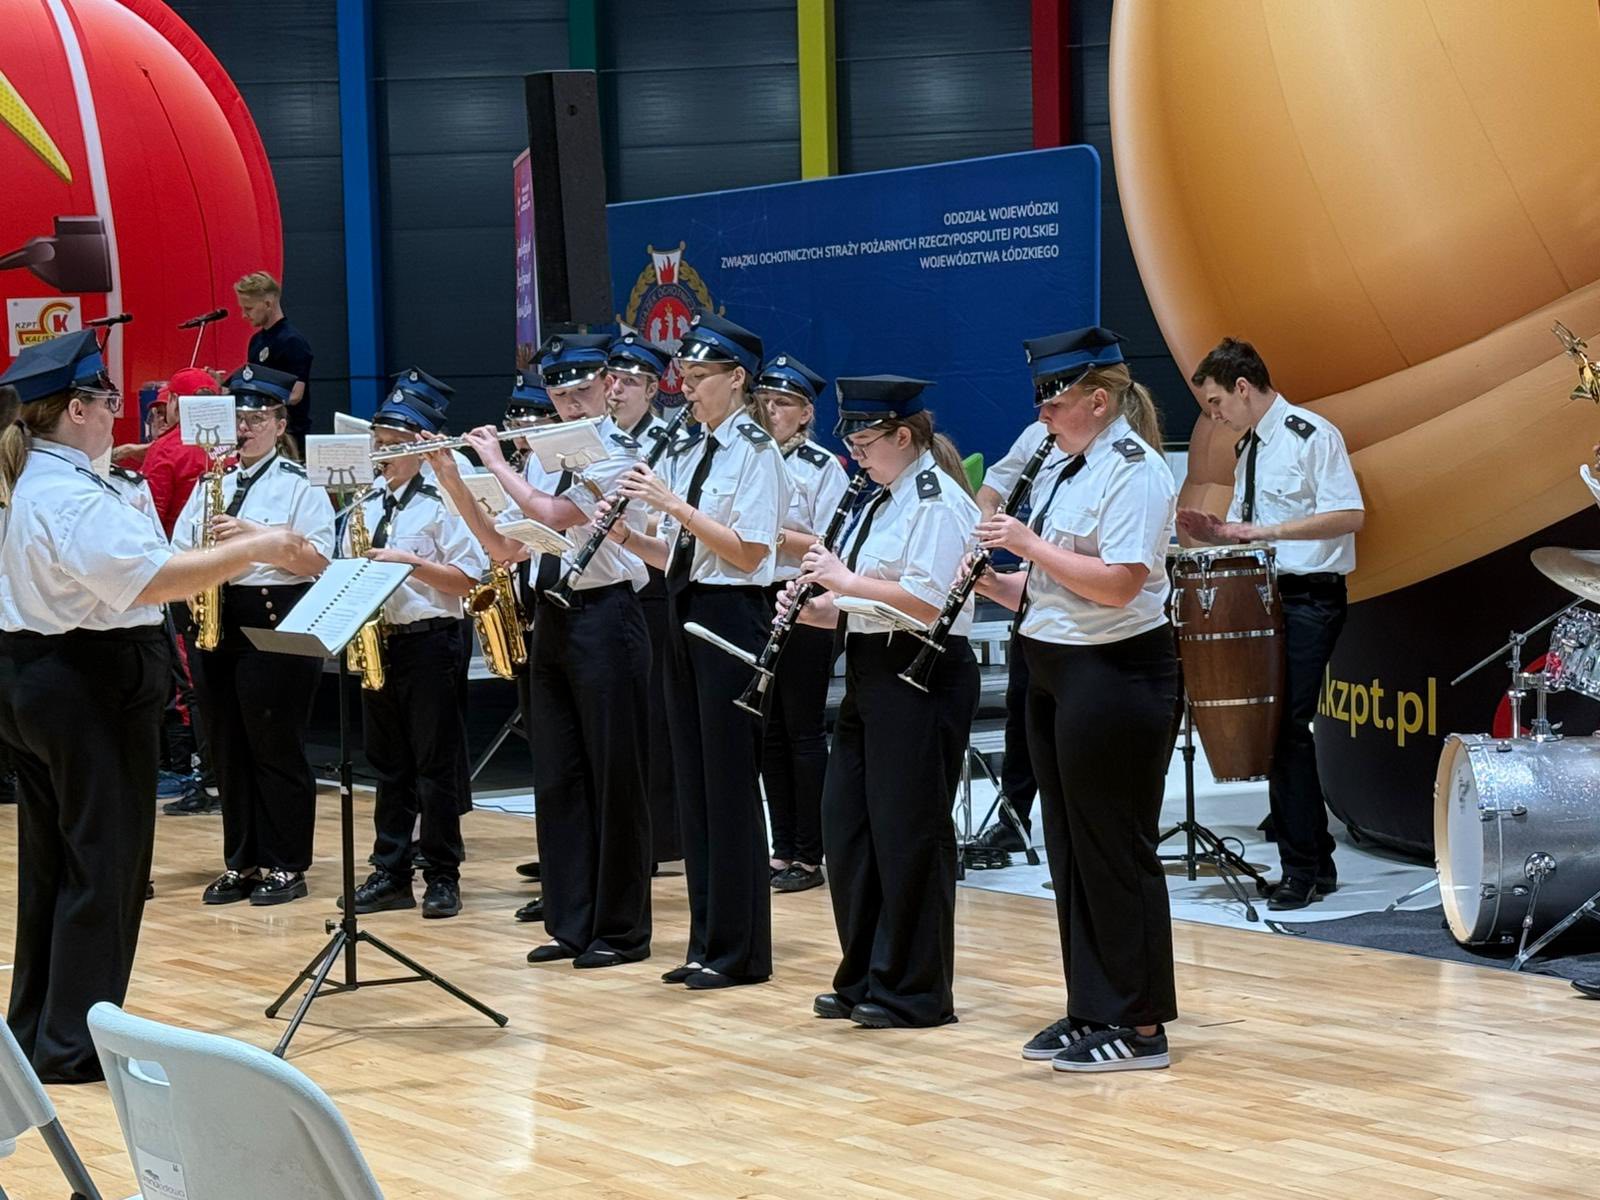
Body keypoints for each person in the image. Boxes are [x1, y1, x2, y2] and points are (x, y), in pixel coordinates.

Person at [0, 331, 317, 1083]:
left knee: (56, 865)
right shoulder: (73, 495)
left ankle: (38, 1031)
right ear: (77, 409)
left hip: (39, 676)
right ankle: (75, 1047)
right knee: (104, 868)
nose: (118, 411)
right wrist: (260, 547)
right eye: (107, 399)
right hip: (89, 682)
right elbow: (153, 580)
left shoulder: (40, 477)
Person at [974, 325, 1181, 1072]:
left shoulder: (1136, 470)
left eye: (1054, 400)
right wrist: (995, 581)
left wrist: (1027, 545)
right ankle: (1093, 1003)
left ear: (1098, 400)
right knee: (1068, 847)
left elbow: (1120, 583)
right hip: (1056, 664)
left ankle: (1142, 1025)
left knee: (1114, 848)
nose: (1043, 413)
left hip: (1116, 672)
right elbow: (1057, 586)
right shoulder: (1062, 462)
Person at [438, 333, 655, 968]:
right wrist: (455, 480)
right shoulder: (539, 459)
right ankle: (571, 922)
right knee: (559, 776)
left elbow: (556, 514)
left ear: (608, 386)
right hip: (550, 620)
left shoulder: (619, 452)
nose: (569, 405)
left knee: (614, 778)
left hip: (607, 617)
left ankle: (621, 931)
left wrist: (497, 462)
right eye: (559, 396)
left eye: (581, 391)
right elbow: (507, 549)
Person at [783, 376, 978, 1029]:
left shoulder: (936, 501)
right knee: (849, 828)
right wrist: (815, 607)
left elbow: (929, 602)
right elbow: (859, 599)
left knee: (908, 833)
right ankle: (866, 973)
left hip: (922, 671)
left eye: (866, 442)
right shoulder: (880, 500)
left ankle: (916, 991)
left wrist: (843, 580)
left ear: (903, 436)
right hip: (872, 667)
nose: (856, 454)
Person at [609, 312, 788, 990]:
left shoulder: (757, 452)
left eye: (699, 376)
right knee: (694, 785)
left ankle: (740, 951)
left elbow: (748, 552)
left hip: (733, 617)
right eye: (682, 375)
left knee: (730, 785)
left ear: (736, 378)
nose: (685, 387)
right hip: (684, 607)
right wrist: (627, 536)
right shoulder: (690, 448)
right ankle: (705, 940)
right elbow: (680, 555)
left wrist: (674, 506)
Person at [1177, 337, 1365, 911]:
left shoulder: (1312, 435)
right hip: (1264, 598)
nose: (1214, 415)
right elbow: (1248, 526)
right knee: (1274, 729)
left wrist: (1265, 532)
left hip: (1310, 597)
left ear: (1242, 387)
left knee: (1286, 730)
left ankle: (1300, 868)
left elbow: (1349, 514)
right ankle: (1317, 861)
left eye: (1216, 402)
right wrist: (1220, 535)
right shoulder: (1249, 447)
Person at [171, 365, 334, 906]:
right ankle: (241, 861)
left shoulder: (299, 484)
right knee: (227, 747)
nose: (244, 428)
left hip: (275, 617)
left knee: (275, 745)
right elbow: (179, 547)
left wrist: (254, 537)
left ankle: (286, 863)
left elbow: (318, 559)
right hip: (215, 615)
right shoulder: (210, 483)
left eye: (257, 418)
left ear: (279, 423)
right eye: (238, 417)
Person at [341, 369, 486, 920]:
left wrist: (408, 564)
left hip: (431, 642)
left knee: (434, 765)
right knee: (389, 766)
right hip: (381, 642)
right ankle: (391, 872)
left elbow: (467, 580)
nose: (382, 455)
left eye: (393, 446)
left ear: (422, 448)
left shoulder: (446, 500)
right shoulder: (367, 503)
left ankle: (443, 874)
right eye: (378, 444)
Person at [757, 354, 848, 893]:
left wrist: (767, 533)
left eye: (783, 402)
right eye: (765, 400)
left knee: (802, 727)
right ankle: (782, 846)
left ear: (806, 413)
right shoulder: (751, 457)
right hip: (756, 592)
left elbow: (832, 542)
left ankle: (810, 853)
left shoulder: (820, 466)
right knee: (768, 729)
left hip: (806, 595)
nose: (771, 410)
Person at [969, 418, 1075, 856]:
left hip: (1083, 606)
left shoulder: (1125, 454)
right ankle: (1014, 817)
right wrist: (985, 531)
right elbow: (992, 488)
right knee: (1022, 709)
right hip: (1037, 598)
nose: (1047, 411)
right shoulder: (1037, 435)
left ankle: (1076, 822)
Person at [606, 333, 680, 867]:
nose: (616, 390)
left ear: (653, 389)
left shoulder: (668, 442)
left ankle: (661, 839)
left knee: (654, 712)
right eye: (612, 380)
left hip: (653, 584)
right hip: (608, 580)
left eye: (629, 382)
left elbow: (665, 517)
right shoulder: (597, 437)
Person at [236, 271, 313, 450]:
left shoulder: (292, 341)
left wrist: (260, 407)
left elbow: (295, 394)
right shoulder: (256, 341)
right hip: (260, 434)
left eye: (249, 308)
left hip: (288, 437)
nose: (244, 315)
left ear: (268, 304)